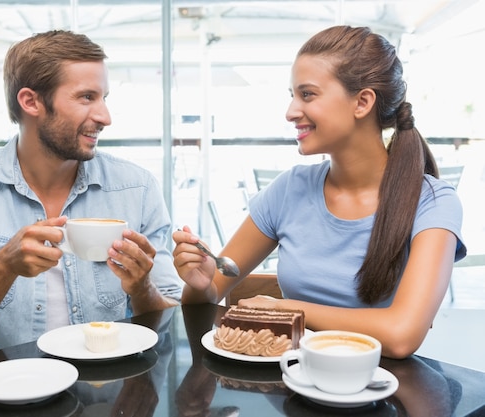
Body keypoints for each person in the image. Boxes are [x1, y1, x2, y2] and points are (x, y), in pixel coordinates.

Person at [172, 25, 466, 360]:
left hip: (383, 391)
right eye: (292, 95)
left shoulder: (433, 202)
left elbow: (401, 336)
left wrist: (287, 308)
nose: (291, 111)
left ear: (363, 102)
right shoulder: (288, 190)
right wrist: (199, 285)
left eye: (307, 95)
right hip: (292, 385)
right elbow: (208, 297)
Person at [0, 30, 181, 363]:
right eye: (86, 97)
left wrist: (141, 289)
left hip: (109, 396)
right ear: (31, 102)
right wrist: (2, 266)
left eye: (104, 98)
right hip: (7, 399)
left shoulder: (137, 189)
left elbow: (170, 321)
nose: (105, 117)